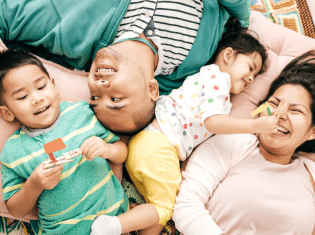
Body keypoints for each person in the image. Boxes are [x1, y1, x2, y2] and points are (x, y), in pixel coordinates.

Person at [90, 19, 273, 235]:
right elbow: (212, 122)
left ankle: (131, 219)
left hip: (149, 143)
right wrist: (255, 125)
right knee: (165, 208)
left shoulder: (210, 82)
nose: (250, 78)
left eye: (254, 76)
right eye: (250, 68)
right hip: (160, 146)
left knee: (156, 206)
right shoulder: (217, 79)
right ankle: (113, 226)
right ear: (228, 55)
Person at [0, 0, 251, 135]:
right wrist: (245, 16)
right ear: (152, 90)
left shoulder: (70, 30)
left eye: (93, 97)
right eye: (115, 99)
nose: (98, 86)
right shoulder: (191, 65)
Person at [172, 50, 315, 235]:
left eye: (296, 110)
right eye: (273, 104)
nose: (280, 115)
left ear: (312, 131)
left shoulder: (311, 174)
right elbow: (186, 204)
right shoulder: (233, 143)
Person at [0, 49, 129, 234]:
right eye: (23, 97)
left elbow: (122, 152)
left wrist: (107, 150)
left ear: (54, 86)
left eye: (41, 87)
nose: (37, 99)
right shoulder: (13, 151)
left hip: (115, 220)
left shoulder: (81, 114)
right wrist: (34, 185)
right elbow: (15, 209)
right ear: (7, 113)